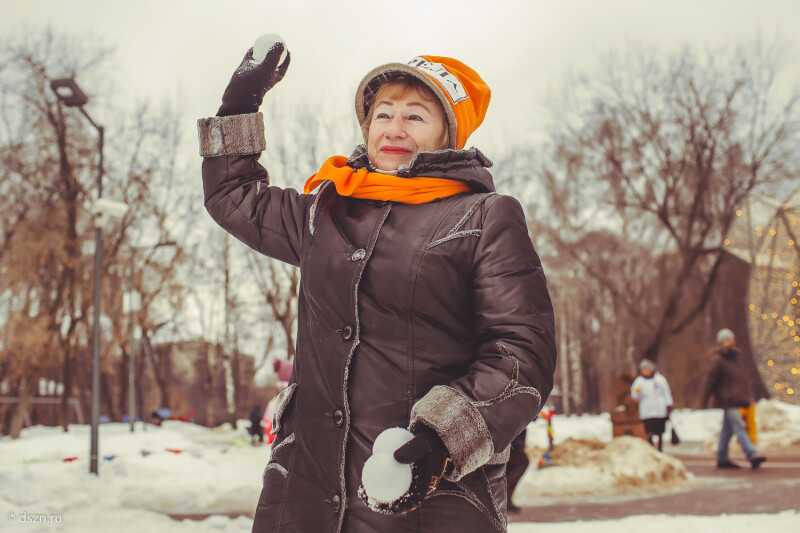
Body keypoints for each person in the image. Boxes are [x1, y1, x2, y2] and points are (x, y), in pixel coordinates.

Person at [197, 39, 557, 533]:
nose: (393, 129)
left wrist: (439, 441)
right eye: (382, 114)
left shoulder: (484, 217)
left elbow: (521, 354)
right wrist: (238, 107)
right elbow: (232, 196)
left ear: (447, 134)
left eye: (415, 117)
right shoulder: (324, 211)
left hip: (425, 487)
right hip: (306, 490)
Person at [700, 328, 766, 470]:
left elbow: (738, 381)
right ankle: (752, 455)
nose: (732, 342)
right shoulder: (718, 360)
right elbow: (709, 380)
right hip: (727, 400)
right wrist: (703, 401)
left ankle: (722, 458)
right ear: (722, 341)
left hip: (736, 399)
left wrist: (746, 398)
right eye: (728, 339)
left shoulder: (732, 359)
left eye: (732, 339)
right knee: (739, 427)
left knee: (727, 431)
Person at [630, 359, 673, 451]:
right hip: (647, 410)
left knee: (660, 431)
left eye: (646, 369)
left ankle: (660, 448)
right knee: (649, 432)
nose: (644, 372)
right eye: (642, 370)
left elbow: (666, 392)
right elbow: (635, 396)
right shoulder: (639, 382)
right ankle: (651, 448)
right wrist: (637, 392)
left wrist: (668, 404)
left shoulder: (660, 379)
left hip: (660, 410)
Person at [505, 429, 529, 513]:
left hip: (509, 441)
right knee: (522, 462)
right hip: (513, 441)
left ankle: (504, 498)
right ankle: (505, 497)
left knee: (508, 468)